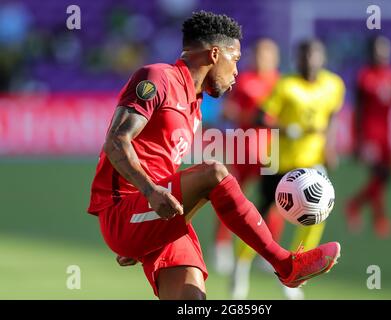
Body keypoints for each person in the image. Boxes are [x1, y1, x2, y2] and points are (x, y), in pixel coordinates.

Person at [87, 11, 340, 300]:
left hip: (155, 215)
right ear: (215, 54)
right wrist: (150, 193)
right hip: (125, 210)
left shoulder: (194, 104)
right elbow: (116, 141)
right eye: (235, 59)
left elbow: (174, 192)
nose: (237, 71)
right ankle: (285, 264)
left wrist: (153, 232)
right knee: (214, 172)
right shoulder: (157, 77)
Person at [230, 39, 344, 300]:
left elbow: (332, 116)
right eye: (303, 56)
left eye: (313, 56)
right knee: (259, 220)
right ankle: (241, 265)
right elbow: (261, 116)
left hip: (311, 166)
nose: (308, 61)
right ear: (297, 59)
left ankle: (294, 272)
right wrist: (286, 129)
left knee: (317, 217)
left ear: (322, 58)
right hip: (279, 163)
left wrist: (329, 147)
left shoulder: (333, 85)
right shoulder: (285, 86)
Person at [212, 38, 284, 277]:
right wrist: (248, 117)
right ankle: (221, 247)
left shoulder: (280, 83)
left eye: (266, 55)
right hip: (243, 147)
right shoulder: (243, 80)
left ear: (275, 59)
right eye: (258, 54)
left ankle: (269, 250)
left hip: (271, 150)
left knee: (274, 200)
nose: (261, 59)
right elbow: (229, 111)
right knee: (231, 198)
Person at [345, 35, 391, 238]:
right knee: (379, 174)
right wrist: (357, 140)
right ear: (370, 51)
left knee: (384, 177)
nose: (381, 53)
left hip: (387, 135)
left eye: (385, 48)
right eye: (377, 49)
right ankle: (377, 217)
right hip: (370, 134)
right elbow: (358, 108)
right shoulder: (364, 76)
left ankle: (356, 206)